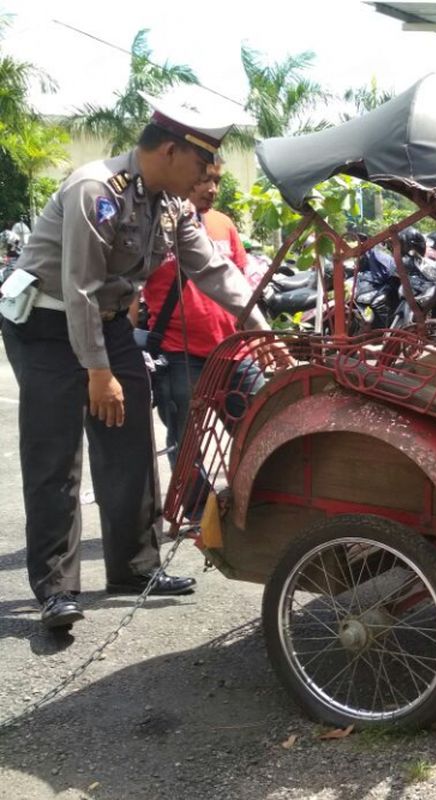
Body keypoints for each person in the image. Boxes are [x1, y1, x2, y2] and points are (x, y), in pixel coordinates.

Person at [0, 95, 280, 629]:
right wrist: (98, 374)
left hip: (104, 322)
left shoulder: (169, 204)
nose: (206, 178)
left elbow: (214, 270)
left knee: (128, 443)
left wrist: (261, 329)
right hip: (45, 323)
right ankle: (56, 590)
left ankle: (134, 567)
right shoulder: (96, 190)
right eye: (201, 165)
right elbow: (78, 288)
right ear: (171, 151)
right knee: (55, 454)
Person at [142, 156, 263, 471]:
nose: (211, 188)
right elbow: (131, 292)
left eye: (217, 181)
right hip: (181, 356)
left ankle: (256, 505)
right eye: (204, 179)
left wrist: (261, 336)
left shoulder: (224, 225)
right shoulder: (156, 225)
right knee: (186, 446)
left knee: (263, 430)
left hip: (236, 352)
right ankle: (196, 515)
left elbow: (238, 282)